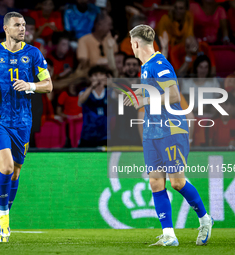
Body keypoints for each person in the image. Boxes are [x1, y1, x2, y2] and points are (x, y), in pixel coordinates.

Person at [0, 12, 52, 242]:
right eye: (17, 25)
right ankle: (4, 216)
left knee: (15, 173)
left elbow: (48, 85)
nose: (22, 28)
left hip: (23, 121)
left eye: (24, 25)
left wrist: (31, 85)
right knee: (5, 168)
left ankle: (2, 214)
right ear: (6, 28)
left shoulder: (33, 54)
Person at [124, 25, 213, 246]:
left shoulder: (159, 64)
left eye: (131, 43)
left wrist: (143, 100)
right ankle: (169, 235)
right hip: (152, 131)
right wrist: (140, 95)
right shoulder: (146, 67)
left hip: (171, 130)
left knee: (177, 182)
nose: (131, 47)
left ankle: (205, 220)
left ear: (135, 43)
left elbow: (173, 95)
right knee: (155, 183)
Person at [78, 65, 109, 147]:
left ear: (105, 76)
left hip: (105, 135)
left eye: (101, 74)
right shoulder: (84, 92)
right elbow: (80, 102)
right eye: (95, 75)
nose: (98, 78)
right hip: (88, 134)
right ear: (90, 78)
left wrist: (111, 84)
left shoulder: (110, 92)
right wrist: (92, 87)